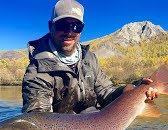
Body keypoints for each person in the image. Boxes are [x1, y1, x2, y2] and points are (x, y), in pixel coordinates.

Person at [22, 0, 159, 114]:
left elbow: (106, 93)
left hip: (96, 123)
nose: (69, 32)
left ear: (81, 30)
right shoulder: (36, 72)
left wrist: (136, 87)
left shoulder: (89, 58)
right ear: (50, 26)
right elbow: (39, 118)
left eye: (76, 26)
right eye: (63, 25)